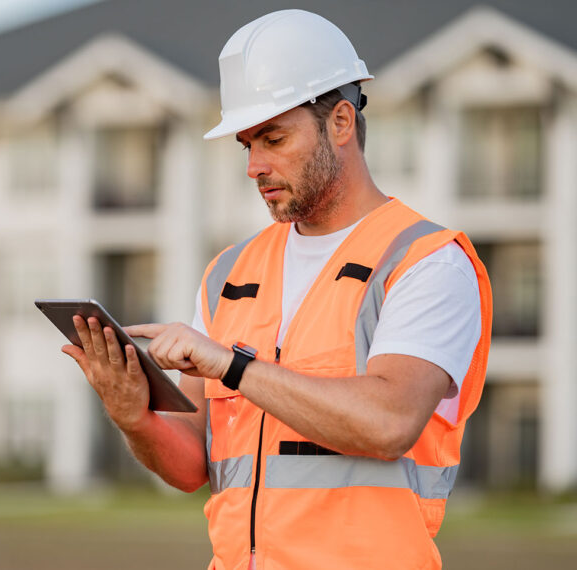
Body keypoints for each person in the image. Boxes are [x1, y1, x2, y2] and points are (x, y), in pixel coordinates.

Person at [62, 9, 491, 570]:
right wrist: (133, 416)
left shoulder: (427, 262)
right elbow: (193, 466)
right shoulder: (229, 274)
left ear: (341, 122)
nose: (254, 166)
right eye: (246, 144)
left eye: (274, 138)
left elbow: (388, 424)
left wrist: (231, 366)